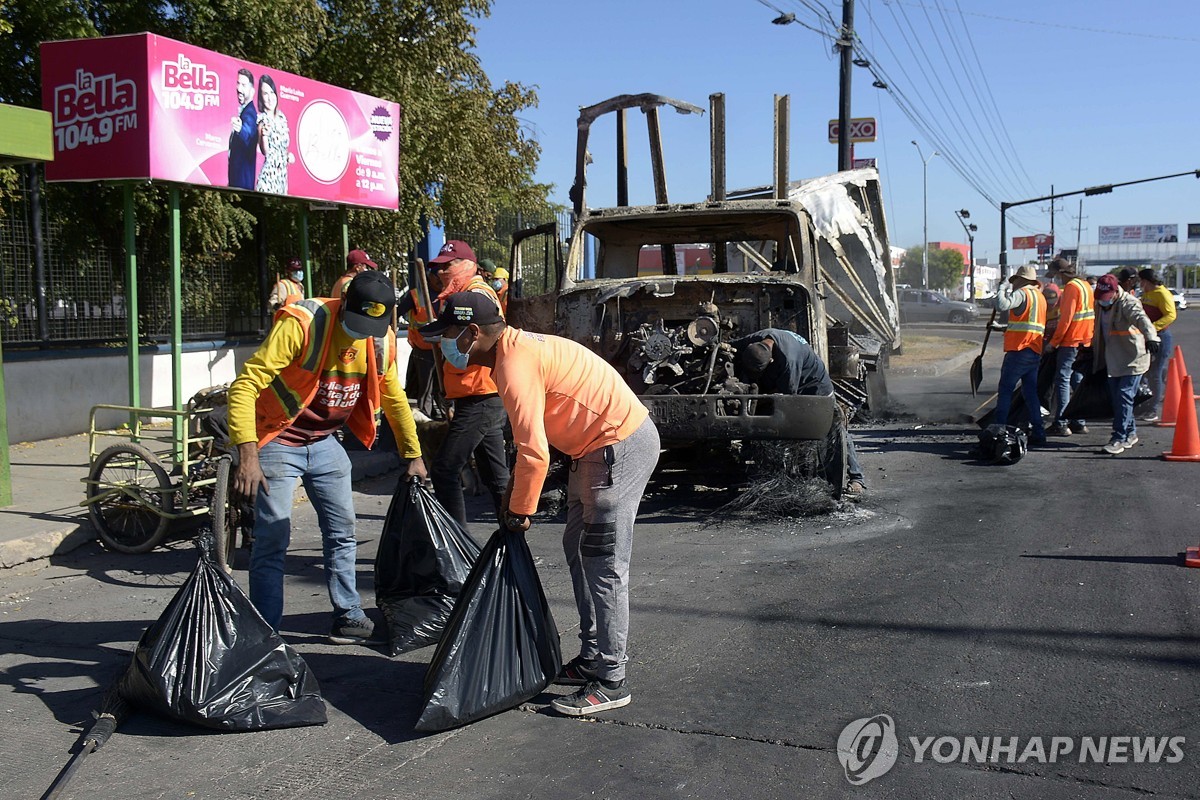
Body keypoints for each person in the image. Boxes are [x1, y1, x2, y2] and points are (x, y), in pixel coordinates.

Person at [420, 291, 660, 716]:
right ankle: (592, 656)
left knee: (603, 562)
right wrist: (516, 498)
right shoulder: (514, 352)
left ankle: (611, 677)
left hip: (618, 447)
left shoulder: (514, 363)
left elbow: (534, 452)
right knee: (578, 550)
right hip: (593, 451)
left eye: (449, 336)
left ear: (473, 333)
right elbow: (528, 445)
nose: (444, 347)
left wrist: (519, 512)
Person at [229, 270, 427, 642]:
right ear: (343, 305)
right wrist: (248, 454)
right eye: (355, 322)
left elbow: (393, 396)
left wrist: (412, 454)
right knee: (272, 539)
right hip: (278, 438)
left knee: (342, 531)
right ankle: (265, 632)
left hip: (324, 442)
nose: (361, 331)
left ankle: (348, 614)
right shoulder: (303, 323)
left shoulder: (382, 339)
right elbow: (245, 384)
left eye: (371, 324)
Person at [421, 240, 510, 526]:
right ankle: (513, 541)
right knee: (496, 477)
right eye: (439, 267)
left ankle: (457, 546)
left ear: (468, 265)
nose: (443, 272)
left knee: (445, 469)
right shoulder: (465, 295)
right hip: (479, 392)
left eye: (449, 265)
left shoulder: (476, 295)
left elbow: (480, 338)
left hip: (480, 394)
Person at [731, 328, 866, 497]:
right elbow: (729, 347)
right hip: (783, 382)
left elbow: (788, 399)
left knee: (833, 427)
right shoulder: (755, 338)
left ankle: (856, 478)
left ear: (771, 360)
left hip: (815, 388)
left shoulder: (789, 360)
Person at [1091, 273, 1160, 455]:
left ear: (1115, 292)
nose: (1104, 301)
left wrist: (1152, 337)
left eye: (1107, 298)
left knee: (1123, 396)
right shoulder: (1099, 303)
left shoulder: (1128, 303)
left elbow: (1142, 319)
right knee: (1119, 399)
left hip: (1133, 358)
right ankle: (1130, 433)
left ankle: (1118, 438)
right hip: (1113, 358)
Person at [991, 265, 1047, 446]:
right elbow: (1027, 324)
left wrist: (1002, 287)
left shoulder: (1023, 293)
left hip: (1019, 351)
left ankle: (999, 431)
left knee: (1005, 390)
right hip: (1034, 351)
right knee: (1030, 393)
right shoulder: (1040, 297)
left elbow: (1001, 305)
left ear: (1021, 280)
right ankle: (1039, 432)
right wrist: (1001, 328)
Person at [1043, 258, 1095, 437]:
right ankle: (1079, 422)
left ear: (1061, 273)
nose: (1056, 280)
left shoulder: (1071, 288)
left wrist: (1053, 343)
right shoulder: (1085, 285)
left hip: (1071, 340)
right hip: (1084, 340)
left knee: (1062, 380)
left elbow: (1066, 319)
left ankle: (1061, 423)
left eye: (1056, 276)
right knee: (1077, 380)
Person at [1137, 268, 1178, 422]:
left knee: (1155, 373)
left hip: (1160, 337)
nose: (1140, 284)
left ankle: (1153, 410)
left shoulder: (1162, 293)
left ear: (1147, 281)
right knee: (1147, 373)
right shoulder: (1147, 294)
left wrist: (1153, 327)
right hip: (1147, 337)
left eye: (1141, 281)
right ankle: (1146, 405)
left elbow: (1171, 315)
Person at [254, 74, 292, 195]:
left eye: (271, 92)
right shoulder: (262, 120)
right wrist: (264, 136)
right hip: (269, 178)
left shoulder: (282, 118)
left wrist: (288, 155)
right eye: (265, 94)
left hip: (282, 178)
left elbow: (283, 147)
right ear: (261, 97)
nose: (270, 98)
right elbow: (265, 151)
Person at [228, 68, 258, 190]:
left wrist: (240, 129)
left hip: (242, 183)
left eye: (244, 85)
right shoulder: (245, 111)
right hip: (238, 182)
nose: (239, 89)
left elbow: (249, 135)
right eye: (238, 83)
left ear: (252, 91)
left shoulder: (250, 113)